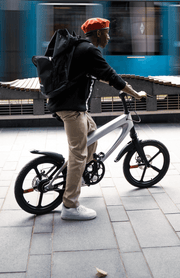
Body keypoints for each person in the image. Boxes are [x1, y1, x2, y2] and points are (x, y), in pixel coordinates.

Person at [47, 17, 146, 221]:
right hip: (71, 108)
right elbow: (111, 75)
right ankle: (70, 205)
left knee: (92, 131)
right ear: (99, 33)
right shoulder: (90, 50)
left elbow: (97, 73)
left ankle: (80, 177)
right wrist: (135, 94)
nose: (109, 37)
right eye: (107, 33)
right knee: (78, 154)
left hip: (72, 105)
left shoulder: (79, 48)